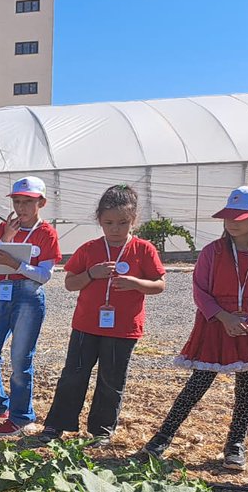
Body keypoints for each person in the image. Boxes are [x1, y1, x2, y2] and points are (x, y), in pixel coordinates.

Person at [144, 186, 248, 471]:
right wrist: (223, 317)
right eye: (228, 216)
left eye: (240, 217)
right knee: (197, 383)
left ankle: (235, 444)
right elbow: (200, 291)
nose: (232, 222)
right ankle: (162, 437)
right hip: (217, 324)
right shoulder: (213, 252)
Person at [38, 185, 166, 445]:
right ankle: (56, 425)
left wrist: (136, 283)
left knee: (111, 379)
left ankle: (101, 430)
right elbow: (70, 283)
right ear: (99, 220)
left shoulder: (144, 249)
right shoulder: (89, 249)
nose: (115, 229)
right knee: (73, 375)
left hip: (123, 329)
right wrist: (90, 274)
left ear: (134, 220)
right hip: (86, 325)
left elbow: (159, 284)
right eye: (109, 223)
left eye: (123, 223)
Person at [0, 176, 62, 436]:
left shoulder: (46, 233)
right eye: (17, 202)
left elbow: (45, 275)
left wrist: (18, 266)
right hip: (2, 294)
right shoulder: (6, 228)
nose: (21, 207)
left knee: (20, 358)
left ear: (41, 203)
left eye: (27, 202)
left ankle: (21, 416)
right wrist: (7, 238)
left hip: (28, 296)